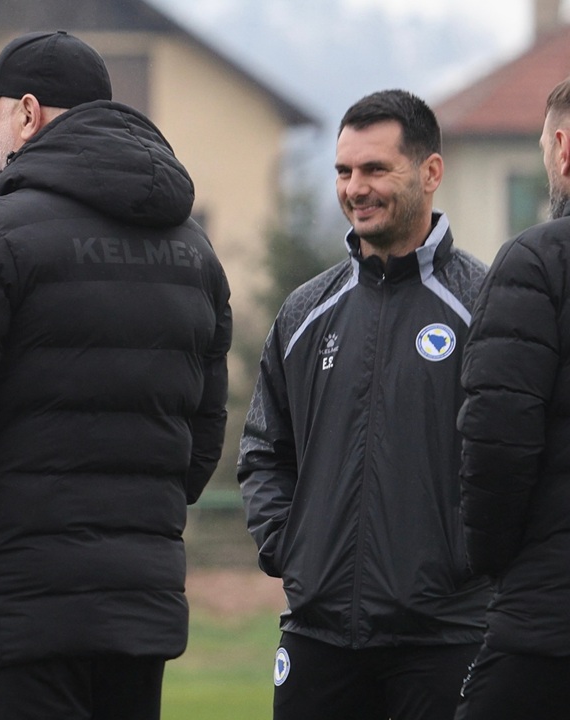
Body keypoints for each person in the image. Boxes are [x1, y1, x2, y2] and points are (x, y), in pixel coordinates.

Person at [0, 30, 232, 720]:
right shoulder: (193, 249)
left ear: (28, 114)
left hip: (11, 607)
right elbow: (202, 436)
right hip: (138, 604)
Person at [237, 89, 490, 720]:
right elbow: (265, 450)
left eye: (376, 169)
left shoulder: (486, 307)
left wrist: (465, 559)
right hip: (318, 635)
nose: (356, 188)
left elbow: (517, 455)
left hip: (445, 637)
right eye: (344, 172)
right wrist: (291, 547)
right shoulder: (304, 313)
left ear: (430, 172)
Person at [454, 78, 570, 720]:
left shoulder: (538, 260)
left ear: (563, 147)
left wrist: (492, 559)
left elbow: (497, 438)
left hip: (549, 616)